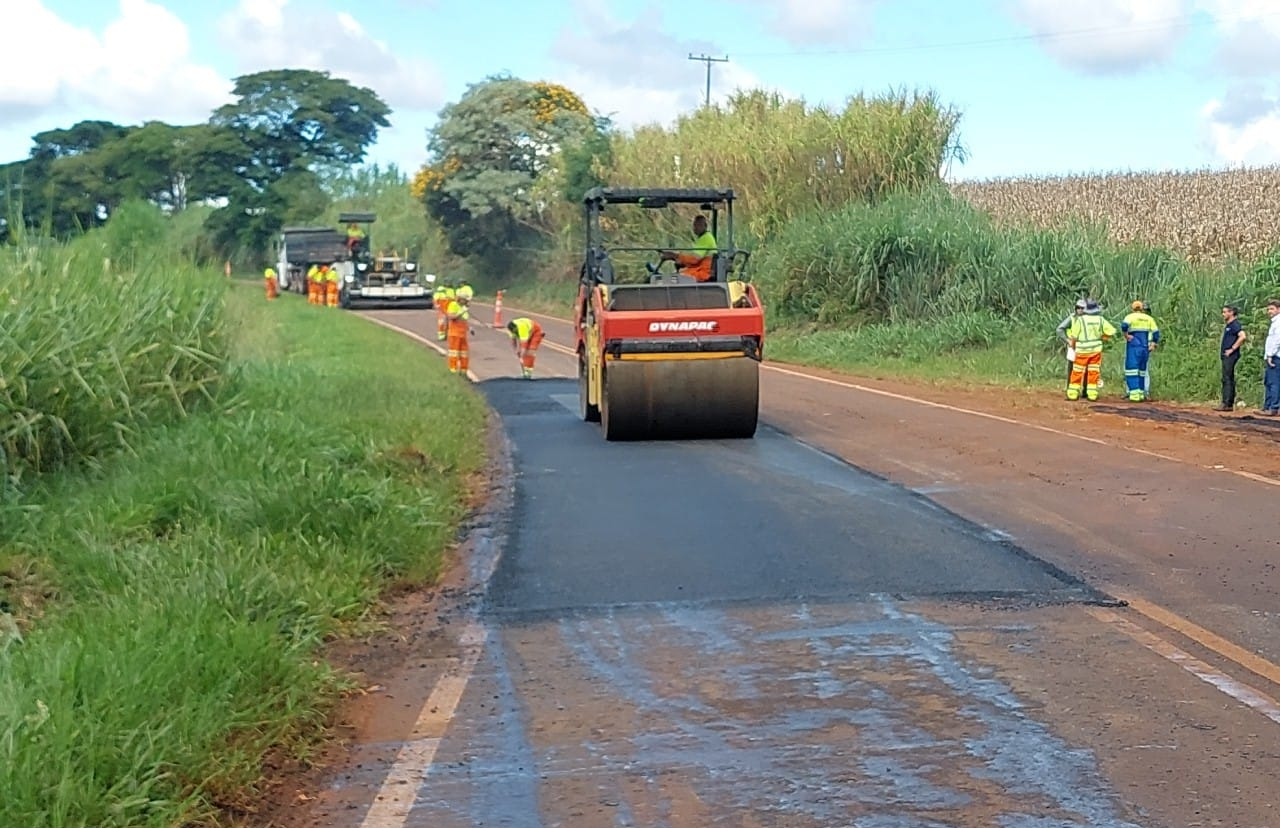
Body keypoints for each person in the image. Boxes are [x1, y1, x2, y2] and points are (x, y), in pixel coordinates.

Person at [1065, 299, 1116, 401]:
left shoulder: (1080, 320)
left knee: (1077, 371)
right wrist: (1103, 337)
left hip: (1082, 350)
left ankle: (1073, 393)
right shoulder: (1100, 320)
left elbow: (1074, 336)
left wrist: (1073, 346)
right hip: (1095, 350)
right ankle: (1092, 394)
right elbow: (1112, 331)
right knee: (1093, 372)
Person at [1120, 300, 1160, 401]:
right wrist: (1154, 343)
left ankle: (1133, 394)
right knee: (1142, 371)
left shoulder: (1130, 317)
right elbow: (1156, 333)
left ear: (1132, 308)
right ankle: (1142, 393)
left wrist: (1126, 335)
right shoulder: (1149, 319)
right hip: (1144, 347)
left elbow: (1124, 326)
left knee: (1131, 370)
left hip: (1134, 346)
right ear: (1142, 309)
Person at [658, 214, 717, 282]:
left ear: (705, 226)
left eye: (699, 225)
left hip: (704, 273)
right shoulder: (704, 238)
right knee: (674, 277)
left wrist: (675, 256)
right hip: (699, 269)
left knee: (671, 279)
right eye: (694, 225)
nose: (696, 228)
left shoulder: (706, 238)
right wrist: (679, 260)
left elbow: (694, 259)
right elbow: (695, 260)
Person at [1216, 305, 1246, 412]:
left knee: (1227, 378)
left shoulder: (1235, 325)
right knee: (1227, 377)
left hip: (1231, 355)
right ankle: (1227, 402)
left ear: (1231, 313)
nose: (1223, 314)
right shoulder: (1229, 325)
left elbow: (1242, 336)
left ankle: (1227, 402)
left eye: (1225, 312)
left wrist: (1232, 349)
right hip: (1226, 355)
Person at [1056, 299, 1087, 385]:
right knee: (1071, 368)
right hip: (1073, 346)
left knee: (1087, 369)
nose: (1080, 310)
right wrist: (1067, 340)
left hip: (1085, 346)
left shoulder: (1089, 319)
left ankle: (1085, 390)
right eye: (1078, 307)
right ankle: (1070, 388)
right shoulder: (1072, 318)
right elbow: (1059, 329)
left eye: (1082, 308)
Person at [445, 286, 473, 375]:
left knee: (464, 353)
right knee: (454, 353)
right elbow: (451, 317)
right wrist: (461, 312)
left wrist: (469, 328)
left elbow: (464, 320)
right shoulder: (453, 305)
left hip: (463, 334)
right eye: (465, 300)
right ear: (461, 299)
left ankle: (464, 371)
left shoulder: (464, 308)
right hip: (454, 334)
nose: (467, 301)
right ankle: (452, 370)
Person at [1262, 298, 1280, 416]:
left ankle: (1273, 407)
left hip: (1275, 356)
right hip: (1273, 355)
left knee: (1274, 382)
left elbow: (1277, 340)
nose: (1269, 311)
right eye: (1268, 309)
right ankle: (1268, 406)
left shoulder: (1278, 323)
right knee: (1269, 381)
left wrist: (1270, 355)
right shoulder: (1275, 322)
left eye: (1272, 309)